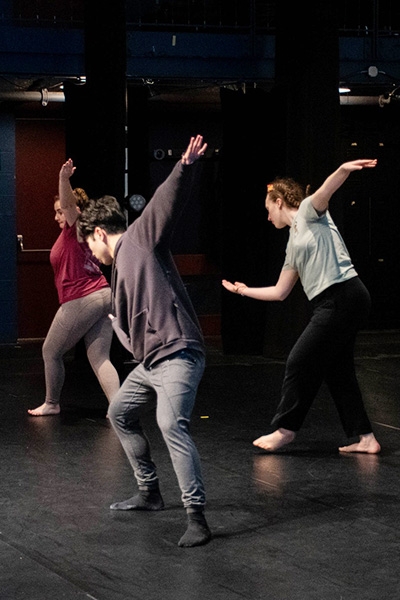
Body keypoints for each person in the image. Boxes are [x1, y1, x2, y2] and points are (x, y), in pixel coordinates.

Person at [77, 135, 211, 548]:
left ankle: (197, 517)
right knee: (119, 413)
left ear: (100, 232)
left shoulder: (139, 238)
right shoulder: (118, 270)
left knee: (171, 423)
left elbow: (164, 203)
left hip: (178, 352)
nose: (90, 252)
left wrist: (183, 168)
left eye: (89, 244)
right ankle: (150, 493)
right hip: (151, 363)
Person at [222, 159, 381, 455]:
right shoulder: (292, 243)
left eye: (269, 209)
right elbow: (281, 292)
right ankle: (366, 438)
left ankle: (285, 430)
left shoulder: (310, 212)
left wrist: (344, 169)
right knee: (338, 371)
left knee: (298, 361)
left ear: (279, 202)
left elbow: (326, 190)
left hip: (343, 295)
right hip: (335, 301)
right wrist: (243, 291)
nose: (268, 218)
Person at [28, 159, 120, 416]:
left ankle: (52, 402)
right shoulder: (79, 231)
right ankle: (119, 408)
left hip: (83, 297)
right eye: (56, 211)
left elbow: (69, 204)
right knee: (100, 358)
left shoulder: (76, 225)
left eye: (59, 211)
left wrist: (64, 178)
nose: (57, 215)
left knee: (50, 351)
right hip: (103, 295)